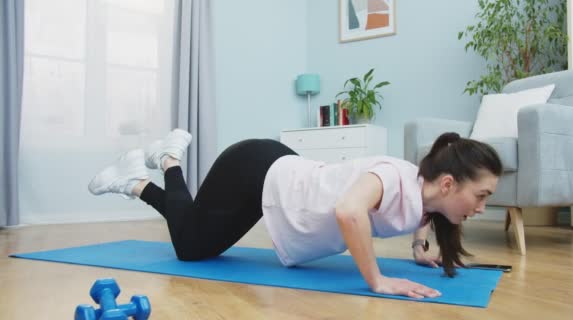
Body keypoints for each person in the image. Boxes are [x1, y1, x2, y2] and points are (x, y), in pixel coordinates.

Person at [88, 129, 503, 299]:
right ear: (448, 183)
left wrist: (418, 248)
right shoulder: (393, 177)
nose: (482, 207)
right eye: (481, 195)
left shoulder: (422, 195)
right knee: (189, 248)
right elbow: (348, 211)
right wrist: (377, 280)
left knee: (196, 231)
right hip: (256, 169)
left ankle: (147, 174)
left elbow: (417, 213)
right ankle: (165, 162)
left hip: (277, 177)